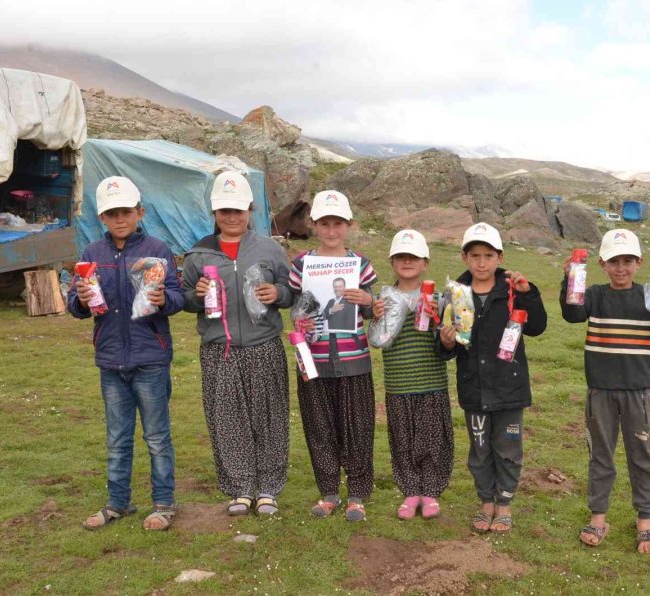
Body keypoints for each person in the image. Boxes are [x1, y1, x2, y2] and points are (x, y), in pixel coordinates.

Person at [68, 176, 184, 531]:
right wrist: (82, 301)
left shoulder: (158, 250)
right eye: (112, 213)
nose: (120, 218)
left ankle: (163, 504)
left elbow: (178, 297)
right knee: (117, 438)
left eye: (126, 212)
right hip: (111, 361)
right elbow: (76, 305)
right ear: (102, 217)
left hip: (150, 359)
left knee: (156, 436)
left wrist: (165, 300)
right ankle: (119, 503)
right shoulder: (91, 254)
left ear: (140, 212)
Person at [560, 229, 650, 554]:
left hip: (637, 393)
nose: (621, 267)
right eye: (614, 261)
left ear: (639, 262)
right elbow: (572, 314)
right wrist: (570, 280)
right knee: (600, 456)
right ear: (602, 263)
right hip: (600, 392)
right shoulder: (597, 295)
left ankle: (645, 519)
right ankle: (598, 517)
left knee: (642, 456)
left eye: (628, 261)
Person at [181, 171, 294, 516]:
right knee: (227, 419)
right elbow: (183, 299)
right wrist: (197, 296)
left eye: (238, 210)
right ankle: (240, 488)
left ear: (249, 210)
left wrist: (278, 293)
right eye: (223, 211)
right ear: (214, 213)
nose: (231, 217)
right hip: (220, 349)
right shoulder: (199, 253)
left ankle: (269, 488)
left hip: (264, 345)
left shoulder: (269, 248)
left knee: (270, 417)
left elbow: (292, 292)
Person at [439, 222, 547, 533]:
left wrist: (529, 295)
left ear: (499, 257)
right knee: (480, 449)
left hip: (509, 387)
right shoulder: (455, 293)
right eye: (475, 256)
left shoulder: (513, 289)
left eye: (488, 255)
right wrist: (446, 341)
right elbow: (446, 346)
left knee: (508, 449)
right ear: (464, 258)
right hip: (474, 387)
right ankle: (485, 501)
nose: (482, 262)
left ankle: (504, 504)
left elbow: (538, 327)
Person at [288, 190, 378, 522]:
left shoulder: (361, 264)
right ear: (314, 225)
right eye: (324, 223)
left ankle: (357, 495)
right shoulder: (301, 264)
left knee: (358, 426)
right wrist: (300, 322)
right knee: (319, 425)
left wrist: (368, 302)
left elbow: (371, 310)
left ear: (348, 225)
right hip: (313, 358)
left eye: (337, 223)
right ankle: (328, 493)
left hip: (354, 358)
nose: (331, 230)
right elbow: (296, 307)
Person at [371, 229, 453, 520]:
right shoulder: (382, 298)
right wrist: (376, 316)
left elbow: (448, 339)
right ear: (393, 262)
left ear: (425, 263)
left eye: (414, 257)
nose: (407, 262)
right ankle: (410, 491)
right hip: (398, 382)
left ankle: (430, 491)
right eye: (401, 257)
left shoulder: (439, 298)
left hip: (431, 381)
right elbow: (376, 339)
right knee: (403, 439)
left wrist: (437, 320)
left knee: (431, 439)